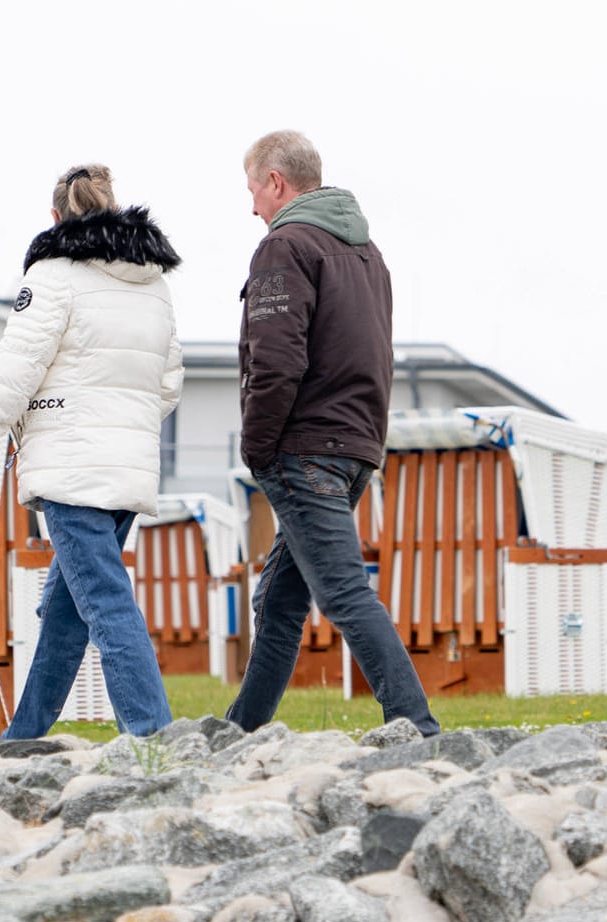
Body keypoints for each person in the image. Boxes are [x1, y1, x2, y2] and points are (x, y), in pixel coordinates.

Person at [0, 164, 182, 739]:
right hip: (128, 471)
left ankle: (154, 740)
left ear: (54, 217)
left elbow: (11, 381)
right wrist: (120, 427)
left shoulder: (51, 275)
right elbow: (168, 387)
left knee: (109, 608)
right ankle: (22, 740)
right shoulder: (154, 285)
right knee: (67, 618)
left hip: (70, 470)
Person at [225, 131, 440, 737]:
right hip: (355, 447)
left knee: (344, 593)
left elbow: (277, 361)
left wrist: (258, 446)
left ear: (276, 182)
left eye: (253, 191)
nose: (253, 208)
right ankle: (240, 733)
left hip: (303, 448)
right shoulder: (369, 253)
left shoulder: (284, 247)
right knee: (282, 600)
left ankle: (417, 726)